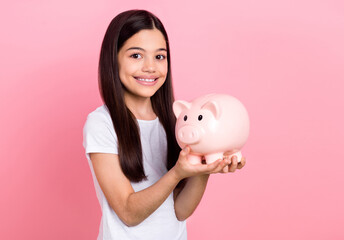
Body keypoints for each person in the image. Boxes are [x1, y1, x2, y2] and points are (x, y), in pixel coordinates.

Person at [82, 9, 246, 240]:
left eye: (160, 56)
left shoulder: (177, 121)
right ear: (113, 58)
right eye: (136, 55)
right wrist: (177, 173)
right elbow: (129, 213)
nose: (151, 67)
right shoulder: (102, 123)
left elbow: (180, 211)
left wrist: (204, 166)